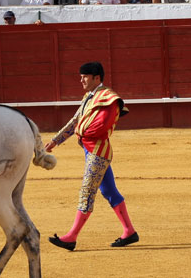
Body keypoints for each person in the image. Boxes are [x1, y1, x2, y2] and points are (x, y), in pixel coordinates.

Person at [46, 61, 139, 252]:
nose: (81, 80)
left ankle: (71, 237)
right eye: (81, 76)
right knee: (109, 192)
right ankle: (129, 231)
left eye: (85, 76)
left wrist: (84, 133)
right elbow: (75, 122)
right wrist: (56, 141)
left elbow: (102, 126)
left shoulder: (109, 98)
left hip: (98, 151)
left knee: (87, 192)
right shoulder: (90, 96)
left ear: (96, 78)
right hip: (91, 150)